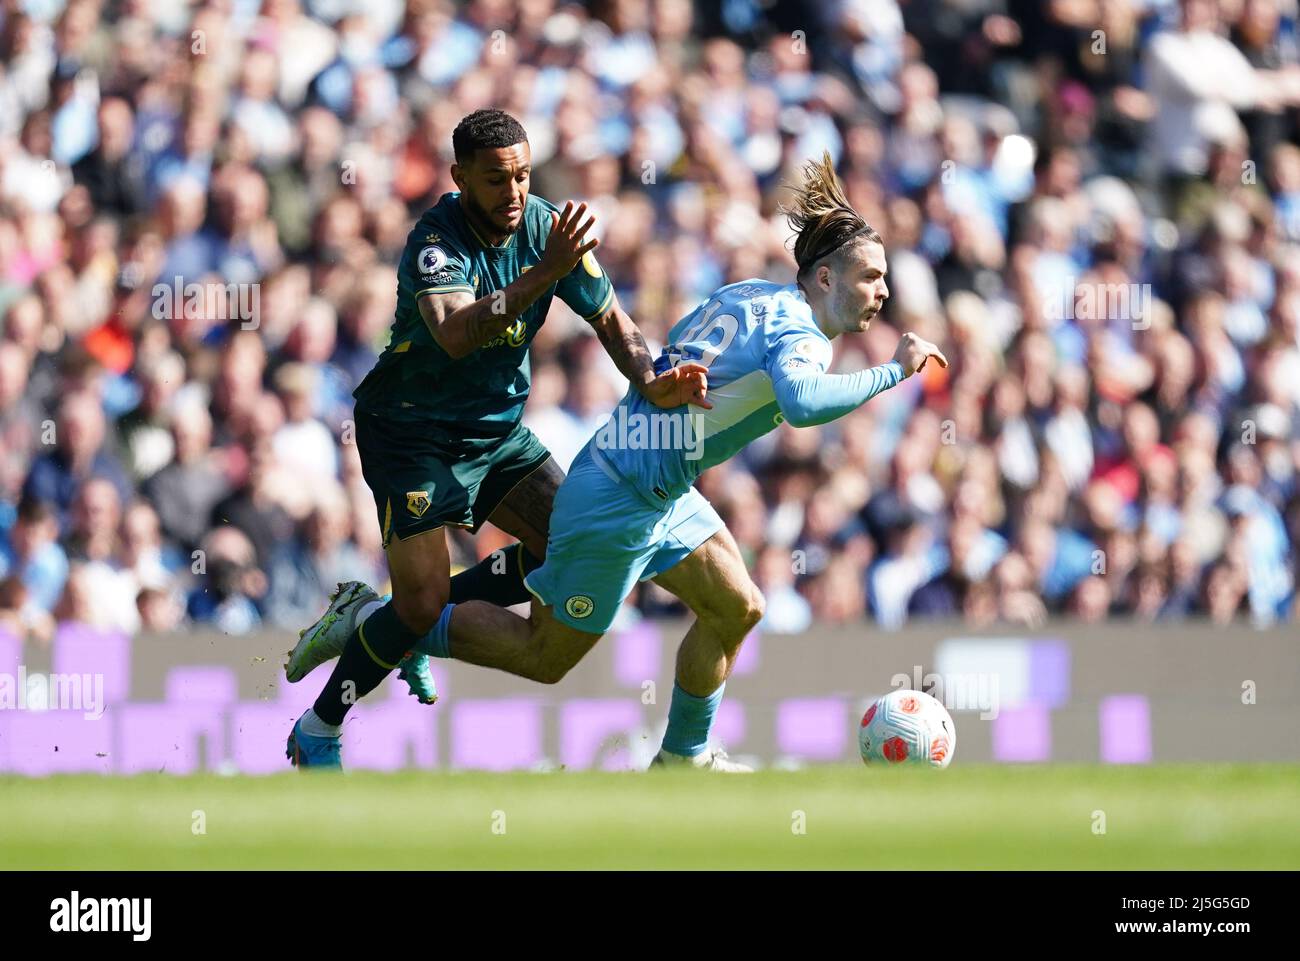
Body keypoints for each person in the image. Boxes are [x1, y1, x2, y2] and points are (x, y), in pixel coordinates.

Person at [290, 152, 946, 771]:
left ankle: (683, 758)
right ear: (825, 277)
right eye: (871, 276)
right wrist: (894, 371)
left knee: (737, 605)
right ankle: (382, 621)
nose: (883, 290)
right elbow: (802, 406)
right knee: (542, 655)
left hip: (656, 482)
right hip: (622, 496)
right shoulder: (801, 335)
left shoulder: (754, 295)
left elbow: (674, 353)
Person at [283, 109, 708, 767]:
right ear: (459, 177)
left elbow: (613, 321)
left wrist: (652, 378)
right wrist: (545, 272)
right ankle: (319, 728)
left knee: (570, 547)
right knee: (422, 601)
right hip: (411, 432)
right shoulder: (435, 240)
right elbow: (456, 332)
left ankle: (383, 622)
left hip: (496, 432)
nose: (512, 193)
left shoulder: (546, 228)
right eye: (494, 180)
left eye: (522, 176)